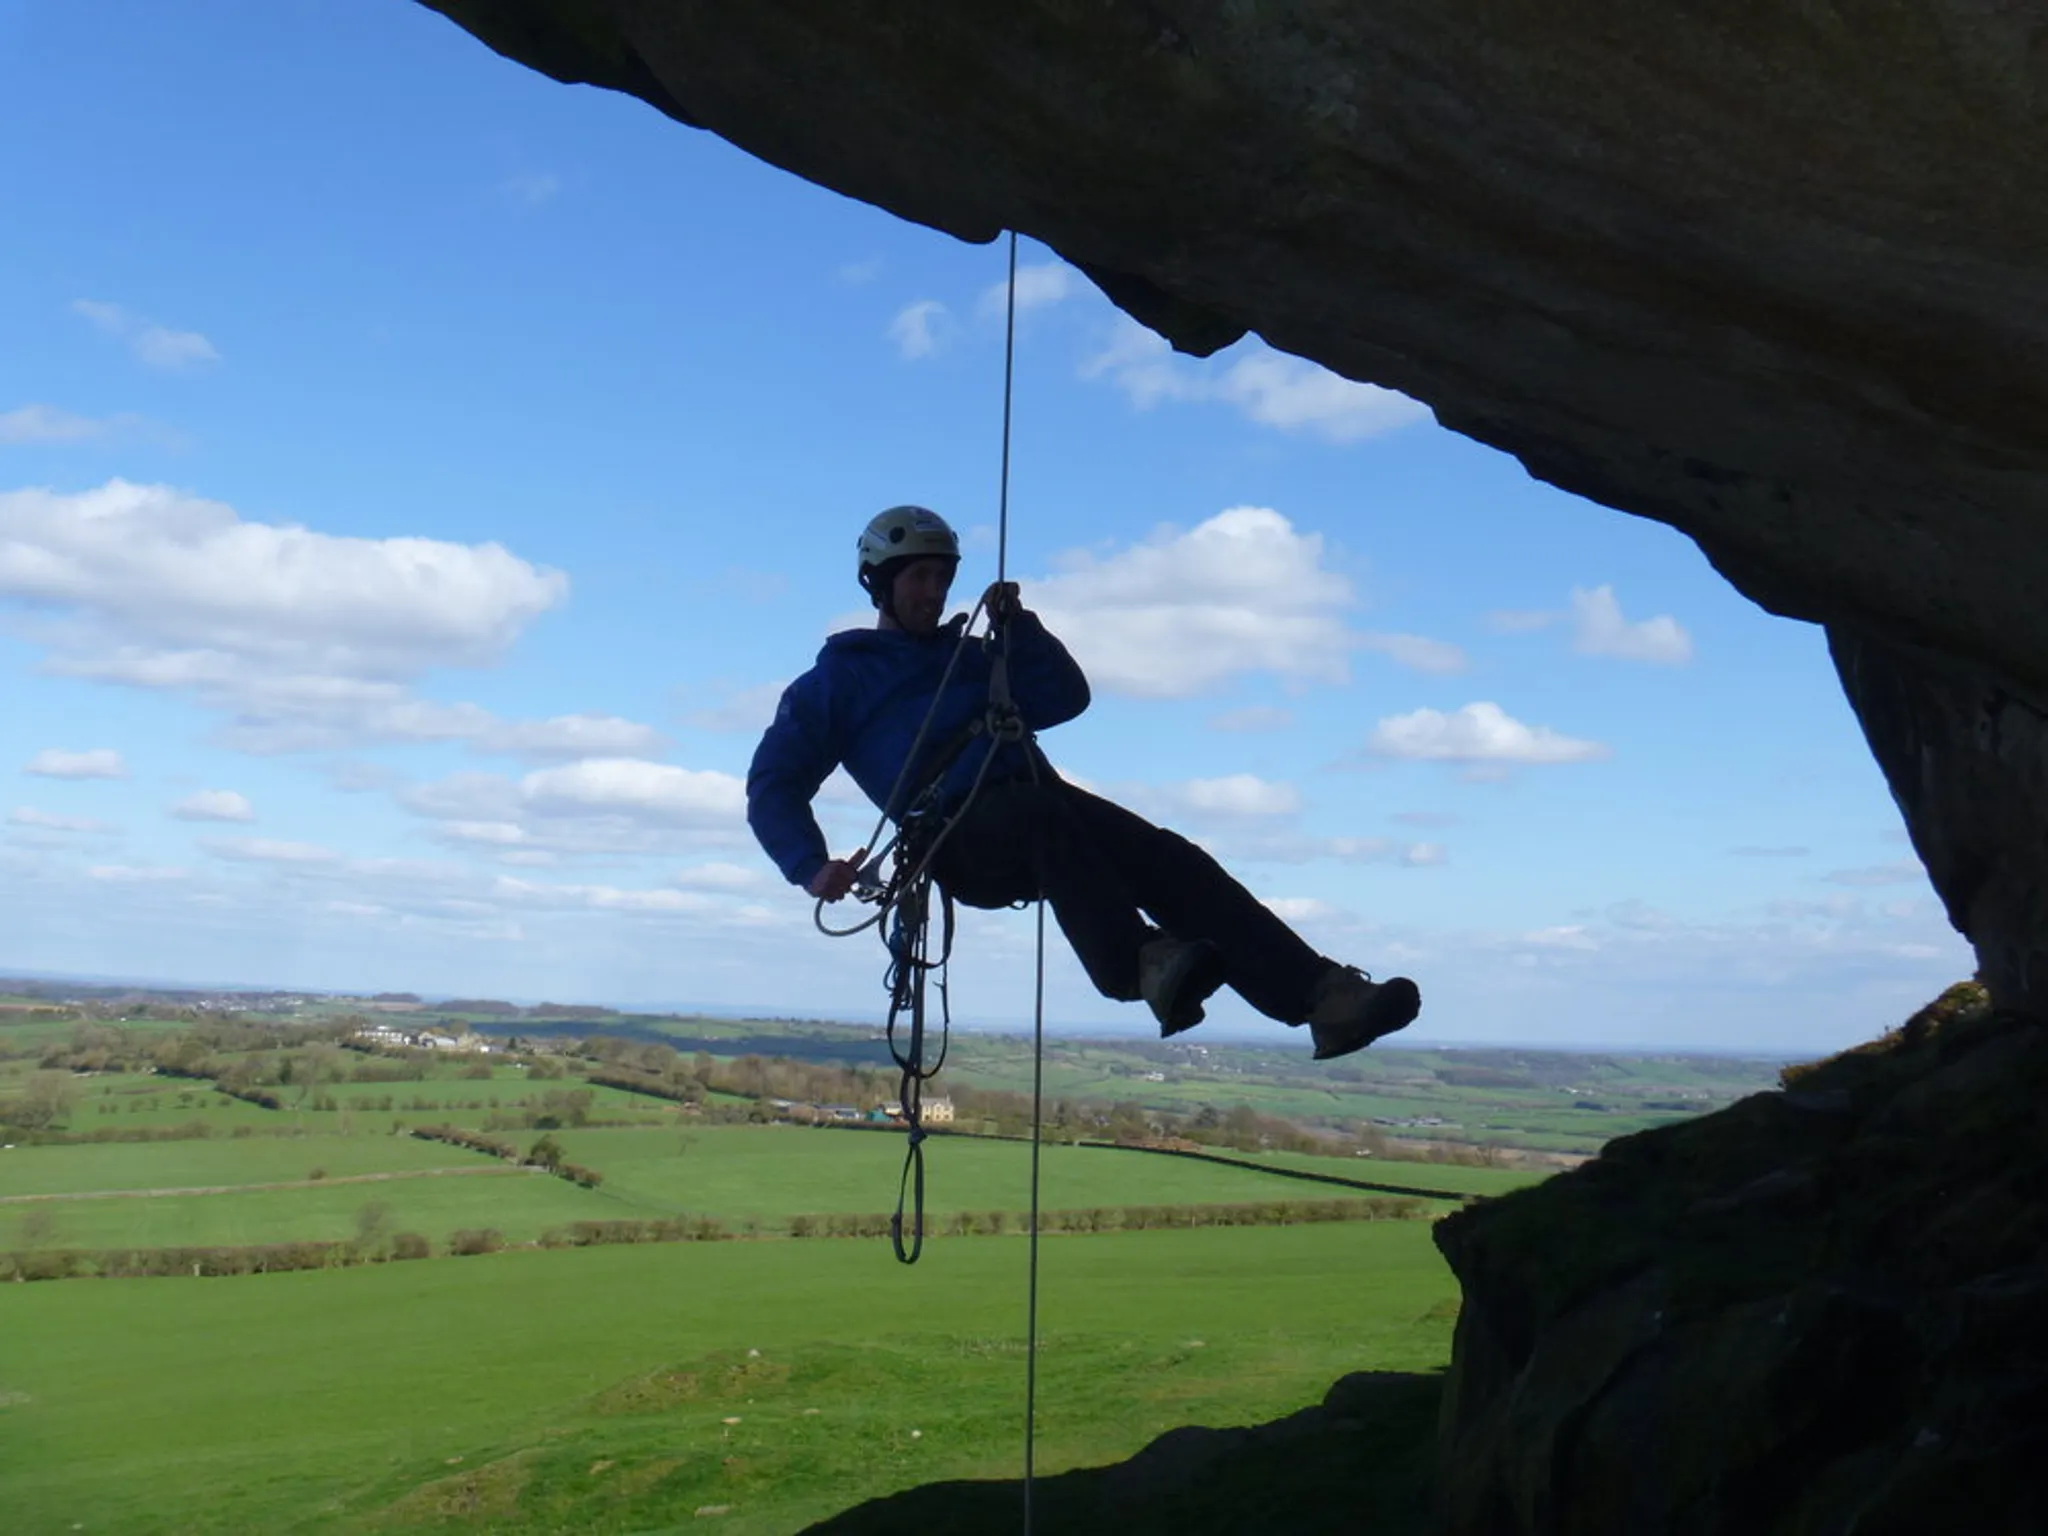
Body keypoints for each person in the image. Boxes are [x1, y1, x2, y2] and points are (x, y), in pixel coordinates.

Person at [745, 505, 1422, 1059]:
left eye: (941, 577)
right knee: (1044, 817)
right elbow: (774, 782)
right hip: (963, 837)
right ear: (881, 585)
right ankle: (1137, 964)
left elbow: (1064, 699)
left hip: (1042, 810)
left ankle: (1323, 999)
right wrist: (808, 866)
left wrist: (1022, 631)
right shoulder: (840, 680)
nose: (933, 592)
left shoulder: (977, 657)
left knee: (1170, 860)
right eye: (918, 577)